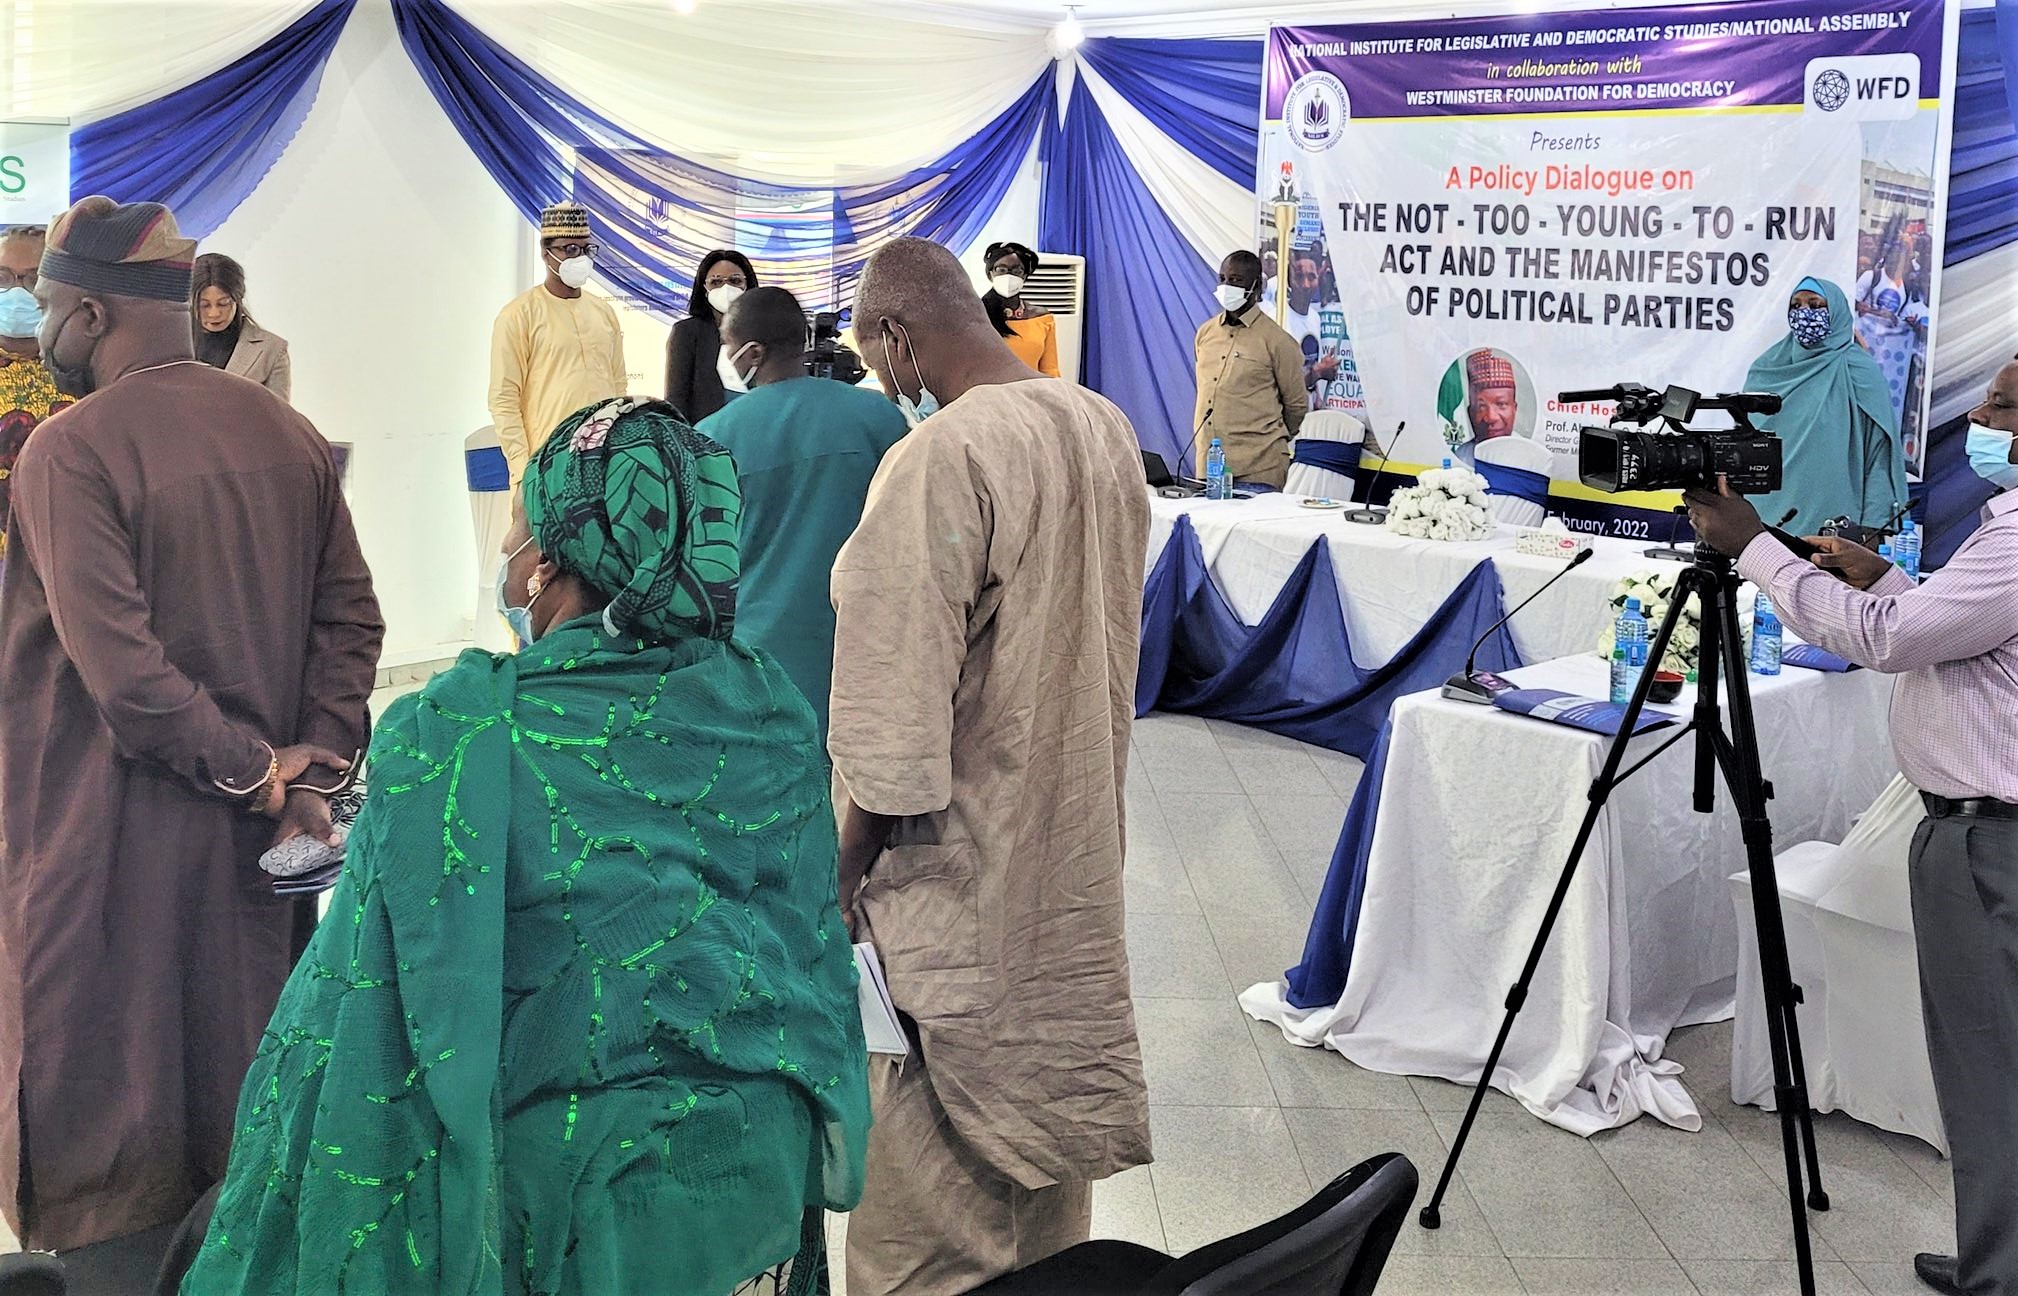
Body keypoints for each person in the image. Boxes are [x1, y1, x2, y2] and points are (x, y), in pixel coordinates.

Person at [181, 398, 871, 1296]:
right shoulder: (772, 711)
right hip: (753, 1185)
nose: (509, 557)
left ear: (550, 561)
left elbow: (365, 1011)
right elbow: (803, 952)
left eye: (518, 529)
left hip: (568, 1207)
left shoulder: (456, 735)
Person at [0, 196, 383, 1254]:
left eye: (43, 309)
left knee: (109, 1145)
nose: (39, 332)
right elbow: (352, 620)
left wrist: (257, 771)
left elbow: (123, 678)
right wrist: (309, 774)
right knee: (241, 1111)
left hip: (100, 858)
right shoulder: (286, 432)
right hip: (259, 867)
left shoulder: (67, 453)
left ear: (87, 315)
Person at [830, 237, 1151, 1295]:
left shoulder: (938, 458)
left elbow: (893, 722)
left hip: (955, 878)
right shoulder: (1099, 425)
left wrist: (836, 879)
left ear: (896, 337)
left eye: (880, 361)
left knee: (932, 1222)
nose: (884, 382)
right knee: (1045, 1208)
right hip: (1067, 862)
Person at [1683, 355, 2018, 1296]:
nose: (1981, 418)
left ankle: (2002, 1277)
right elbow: (1956, 634)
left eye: (2002, 404)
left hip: (1990, 841)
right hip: (1986, 829)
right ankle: (2001, 1251)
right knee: (1996, 1065)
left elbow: (1888, 644)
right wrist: (1889, 580)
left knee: (1992, 1070)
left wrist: (1753, 546)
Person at [698, 286, 907, 740]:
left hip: (755, 656)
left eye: (727, 347)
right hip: (861, 650)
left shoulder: (711, 439)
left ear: (750, 352)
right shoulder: (879, 417)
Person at [1747, 277, 1906, 531]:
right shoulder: (1767, 369)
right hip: (1759, 521)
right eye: (1796, 306)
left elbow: (1878, 455)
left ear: (1836, 312)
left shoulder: (1859, 372)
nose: (1804, 313)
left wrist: (1871, 528)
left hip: (1832, 527)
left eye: (1815, 304)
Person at [488, 201, 627, 487]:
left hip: (603, 461)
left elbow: (618, 385)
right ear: (545, 253)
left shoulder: (604, 312)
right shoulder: (518, 315)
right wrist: (522, 471)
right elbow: (503, 400)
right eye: (571, 249)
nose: (582, 258)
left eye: (587, 250)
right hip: (547, 464)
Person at [1194, 249, 1305, 489]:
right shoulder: (1205, 333)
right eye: (1223, 279)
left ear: (1256, 287)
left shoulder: (1278, 341)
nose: (1226, 286)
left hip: (1258, 470)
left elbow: (1296, 407)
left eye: (1235, 280)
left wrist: (1265, 438)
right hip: (1209, 468)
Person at [0, 225, 68, 567]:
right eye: (3, 277)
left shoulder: (84, 370)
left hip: (64, 563)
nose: (15, 292)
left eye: (30, 280)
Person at [666, 248, 759, 423]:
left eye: (735, 281)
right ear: (704, 288)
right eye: (716, 282)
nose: (726, 288)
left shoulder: (763, 331)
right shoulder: (687, 332)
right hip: (705, 441)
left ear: (748, 285)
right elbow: (676, 400)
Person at [189, 252, 291, 401]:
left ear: (239, 297)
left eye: (223, 303)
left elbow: (278, 418)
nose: (214, 313)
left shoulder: (272, 350)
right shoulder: (168, 344)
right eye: (203, 305)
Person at [1855, 237, 1930, 425]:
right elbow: (1852, 302)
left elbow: (1901, 318)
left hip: (1887, 354)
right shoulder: (1871, 277)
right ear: (1886, 258)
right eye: (1894, 258)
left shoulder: (1907, 288)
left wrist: (1912, 323)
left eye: (1901, 260)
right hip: (1863, 345)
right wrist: (1878, 312)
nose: (1897, 263)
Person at [979, 241, 1059, 378]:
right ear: (990, 274)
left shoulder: (1042, 318)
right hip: (990, 395)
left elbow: (1050, 370)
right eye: (1001, 270)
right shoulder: (977, 314)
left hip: (1032, 395)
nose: (1008, 276)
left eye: (1017, 270)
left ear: (1025, 275)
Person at [1465, 349, 1519, 445]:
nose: (1491, 417)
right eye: (1481, 407)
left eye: (1501, 404)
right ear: (1470, 413)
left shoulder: (1528, 453)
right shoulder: (1462, 455)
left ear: (1514, 409)